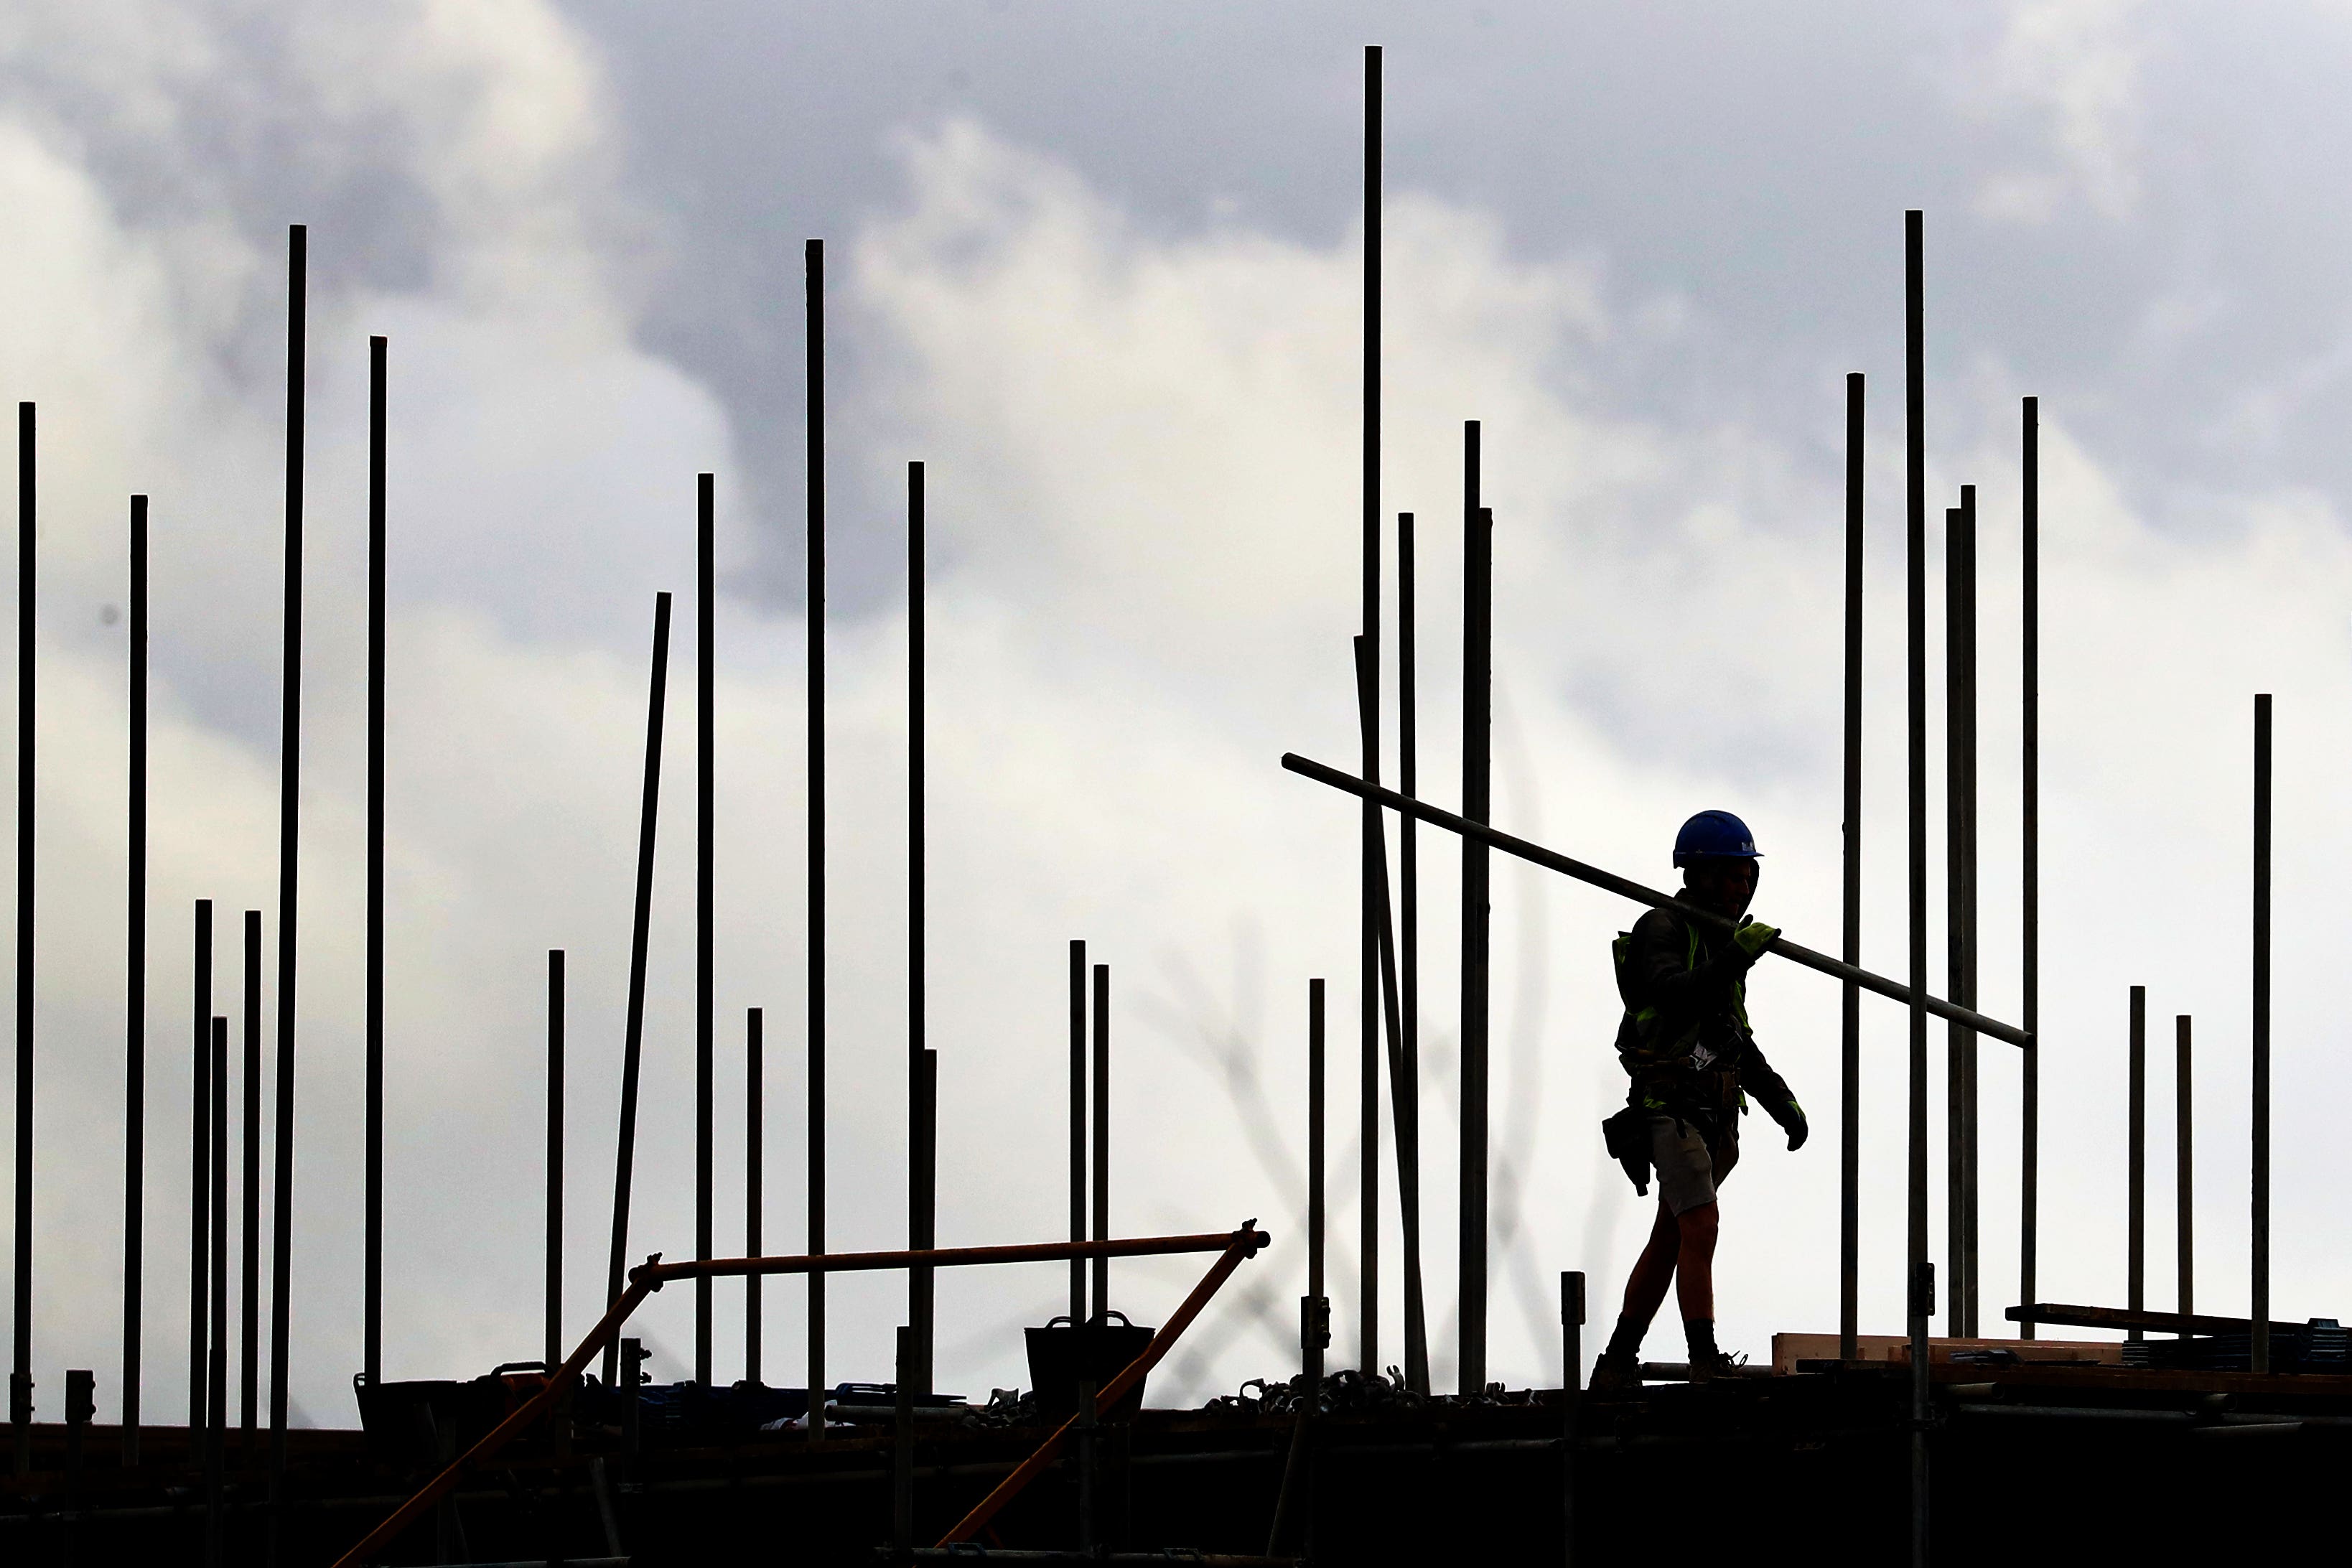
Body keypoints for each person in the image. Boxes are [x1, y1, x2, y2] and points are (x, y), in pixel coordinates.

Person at [1590, 809, 1807, 1389]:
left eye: (1748, 878)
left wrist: (1780, 1102)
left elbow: (1730, 1036)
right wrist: (1737, 956)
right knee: (1701, 1224)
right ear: (1700, 875)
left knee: (1673, 1234)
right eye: (1733, 876)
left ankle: (1616, 1361)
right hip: (1672, 1109)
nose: (1744, 888)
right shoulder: (1664, 928)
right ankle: (1703, 1358)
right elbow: (1671, 995)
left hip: (1712, 1114)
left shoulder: (1718, 943)